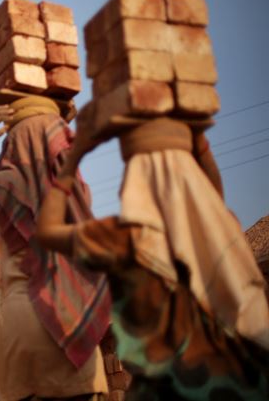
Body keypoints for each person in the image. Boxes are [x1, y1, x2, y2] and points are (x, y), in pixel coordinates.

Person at [35, 111, 269, 401]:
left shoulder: (122, 238)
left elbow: (48, 230)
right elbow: (212, 190)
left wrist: (75, 153)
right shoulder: (215, 228)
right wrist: (195, 137)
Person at [0, 98, 110, 401]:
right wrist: (61, 116)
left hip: (22, 324)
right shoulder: (76, 188)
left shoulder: (6, 184)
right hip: (72, 321)